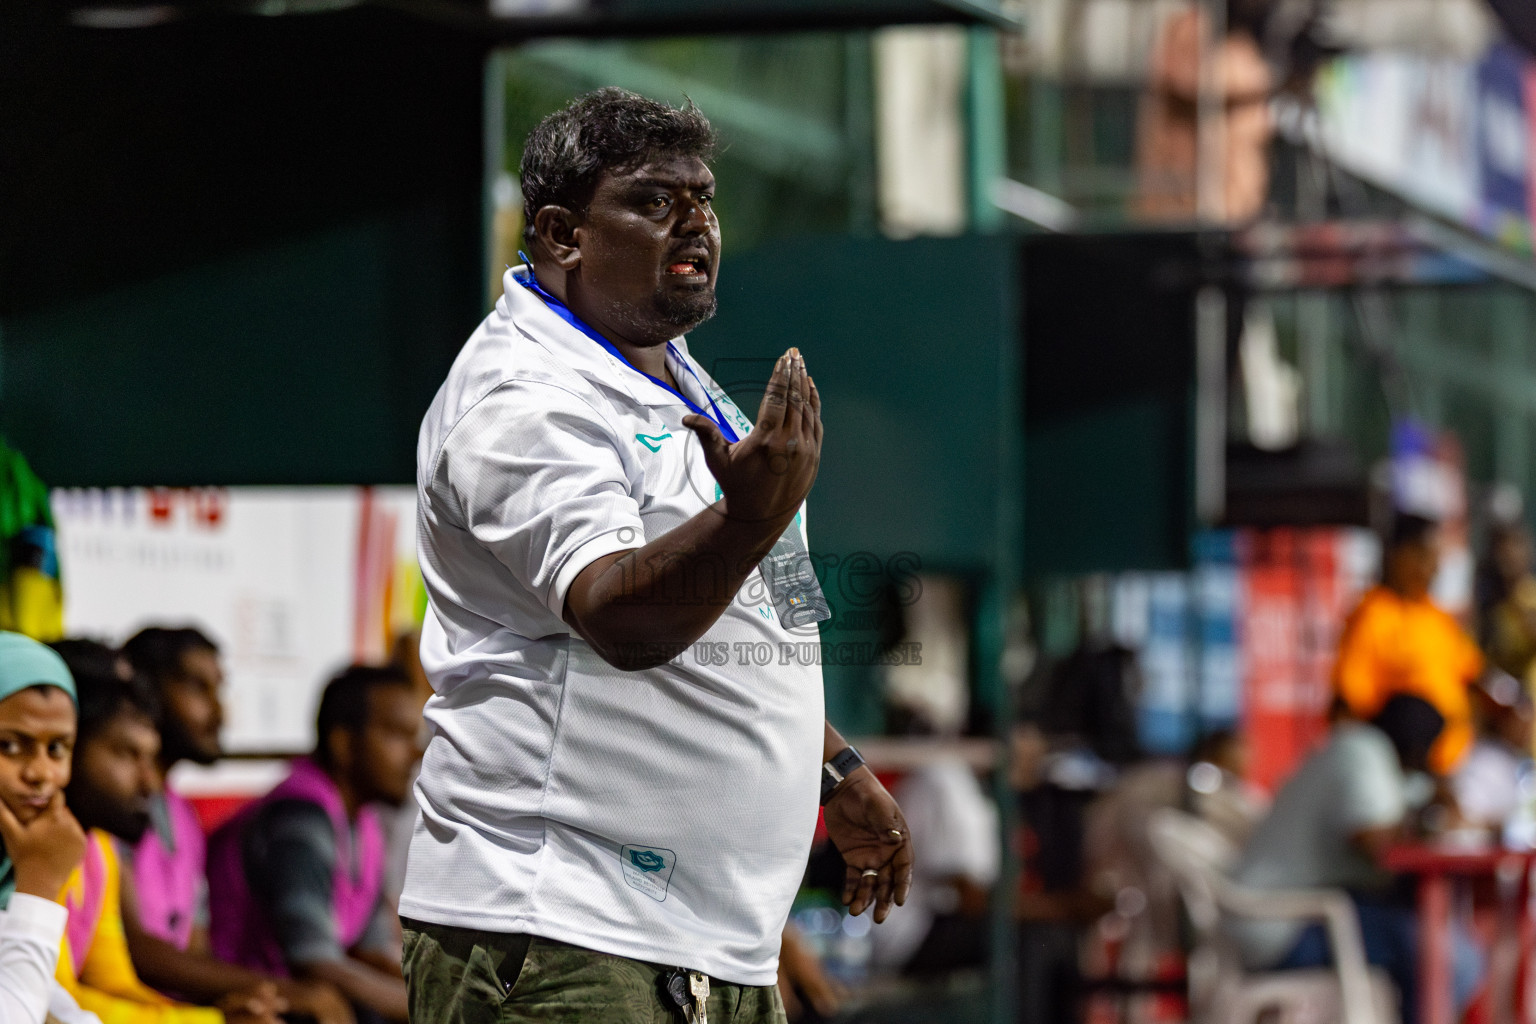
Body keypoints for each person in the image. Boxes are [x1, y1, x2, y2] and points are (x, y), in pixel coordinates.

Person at [401, 87, 913, 1024]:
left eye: (704, 199)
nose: (696, 224)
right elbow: (623, 619)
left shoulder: (671, 370)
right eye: (654, 201)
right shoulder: (523, 400)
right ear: (561, 235)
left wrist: (831, 768)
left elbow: (754, 606)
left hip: (708, 942)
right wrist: (754, 515)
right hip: (564, 933)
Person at [116, 629, 353, 1024]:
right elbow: (138, 952)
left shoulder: (181, 817)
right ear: (147, 691)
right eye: (198, 688)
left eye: (218, 689)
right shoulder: (113, 808)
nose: (219, 712)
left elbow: (194, 948)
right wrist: (289, 992)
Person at [46, 641, 281, 1024]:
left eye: (147, 757)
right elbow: (59, 1001)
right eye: (125, 755)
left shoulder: (99, 850)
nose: (148, 784)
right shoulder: (37, 851)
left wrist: (211, 1015)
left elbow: (113, 983)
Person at [1229, 695, 1482, 1024]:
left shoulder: (1365, 752)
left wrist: (1436, 801)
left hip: (1289, 913)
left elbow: (1407, 813)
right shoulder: (1360, 749)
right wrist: (1430, 819)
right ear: (1419, 748)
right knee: (1450, 958)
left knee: (1440, 945)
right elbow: (1375, 842)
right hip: (1280, 925)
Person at [207, 666, 423, 1023]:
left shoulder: (365, 824)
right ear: (343, 744)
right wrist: (428, 1007)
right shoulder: (300, 818)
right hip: (252, 1003)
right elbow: (313, 962)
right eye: (395, 734)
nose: (414, 754)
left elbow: (366, 953)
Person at [1334, 513, 1486, 774]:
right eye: (1427, 558)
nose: (1435, 569)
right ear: (1400, 556)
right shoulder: (1373, 616)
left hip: (1457, 769)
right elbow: (1350, 706)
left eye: (1437, 560)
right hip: (1402, 772)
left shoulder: (1437, 618)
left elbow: (1475, 676)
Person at [0, 632, 96, 1024]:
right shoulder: (39, 865)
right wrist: (39, 884)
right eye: (9, 745)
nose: (40, 774)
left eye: (57, 748)